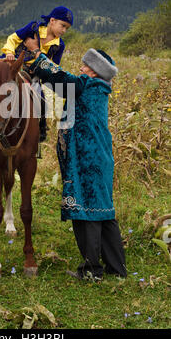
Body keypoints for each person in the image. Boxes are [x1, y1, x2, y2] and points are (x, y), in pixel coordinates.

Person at [24, 35, 127, 280]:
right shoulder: (94, 89)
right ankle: (116, 268)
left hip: (87, 161)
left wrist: (38, 56)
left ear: (94, 71)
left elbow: (63, 79)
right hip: (96, 159)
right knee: (104, 212)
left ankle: (92, 271)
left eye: (84, 65)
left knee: (87, 212)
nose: (80, 68)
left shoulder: (88, 86)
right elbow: (62, 85)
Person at [0, 6, 73, 141]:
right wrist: (9, 52)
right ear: (52, 20)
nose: (64, 30)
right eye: (62, 25)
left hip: (32, 71)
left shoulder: (59, 45)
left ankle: (42, 126)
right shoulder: (34, 27)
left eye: (67, 28)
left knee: (41, 97)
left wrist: (41, 66)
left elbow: (54, 66)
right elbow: (13, 38)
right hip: (11, 61)